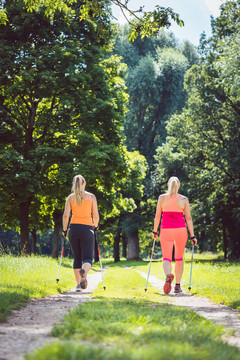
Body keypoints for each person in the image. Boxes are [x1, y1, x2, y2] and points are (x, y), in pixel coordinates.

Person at [153, 176, 197, 294]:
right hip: (181, 231)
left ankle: (168, 275)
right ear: (179, 186)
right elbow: (189, 218)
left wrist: (155, 230)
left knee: (166, 258)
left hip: (166, 230)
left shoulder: (162, 198)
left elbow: (157, 216)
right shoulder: (184, 199)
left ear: (168, 185)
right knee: (179, 258)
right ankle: (177, 286)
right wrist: (192, 235)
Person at [62, 175, 99, 292]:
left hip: (73, 230)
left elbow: (66, 215)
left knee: (77, 257)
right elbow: (96, 216)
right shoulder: (91, 197)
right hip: (87, 229)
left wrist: (64, 230)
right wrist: (96, 225)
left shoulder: (70, 198)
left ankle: (78, 285)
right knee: (87, 258)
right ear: (85, 183)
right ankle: (84, 272)